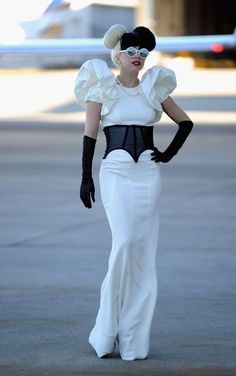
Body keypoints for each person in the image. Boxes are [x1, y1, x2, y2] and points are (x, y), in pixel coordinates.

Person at [74, 24, 193, 361]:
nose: (138, 58)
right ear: (119, 54)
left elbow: (186, 123)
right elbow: (90, 136)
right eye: (132, 51)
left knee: (143, 254)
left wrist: (167, 155)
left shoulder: (153, 89)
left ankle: (133, 339)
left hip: (148, 175)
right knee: (124, 243)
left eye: (144, 53)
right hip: (115, 172)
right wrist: (86, 178)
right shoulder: (101, 87)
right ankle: (106, 330)